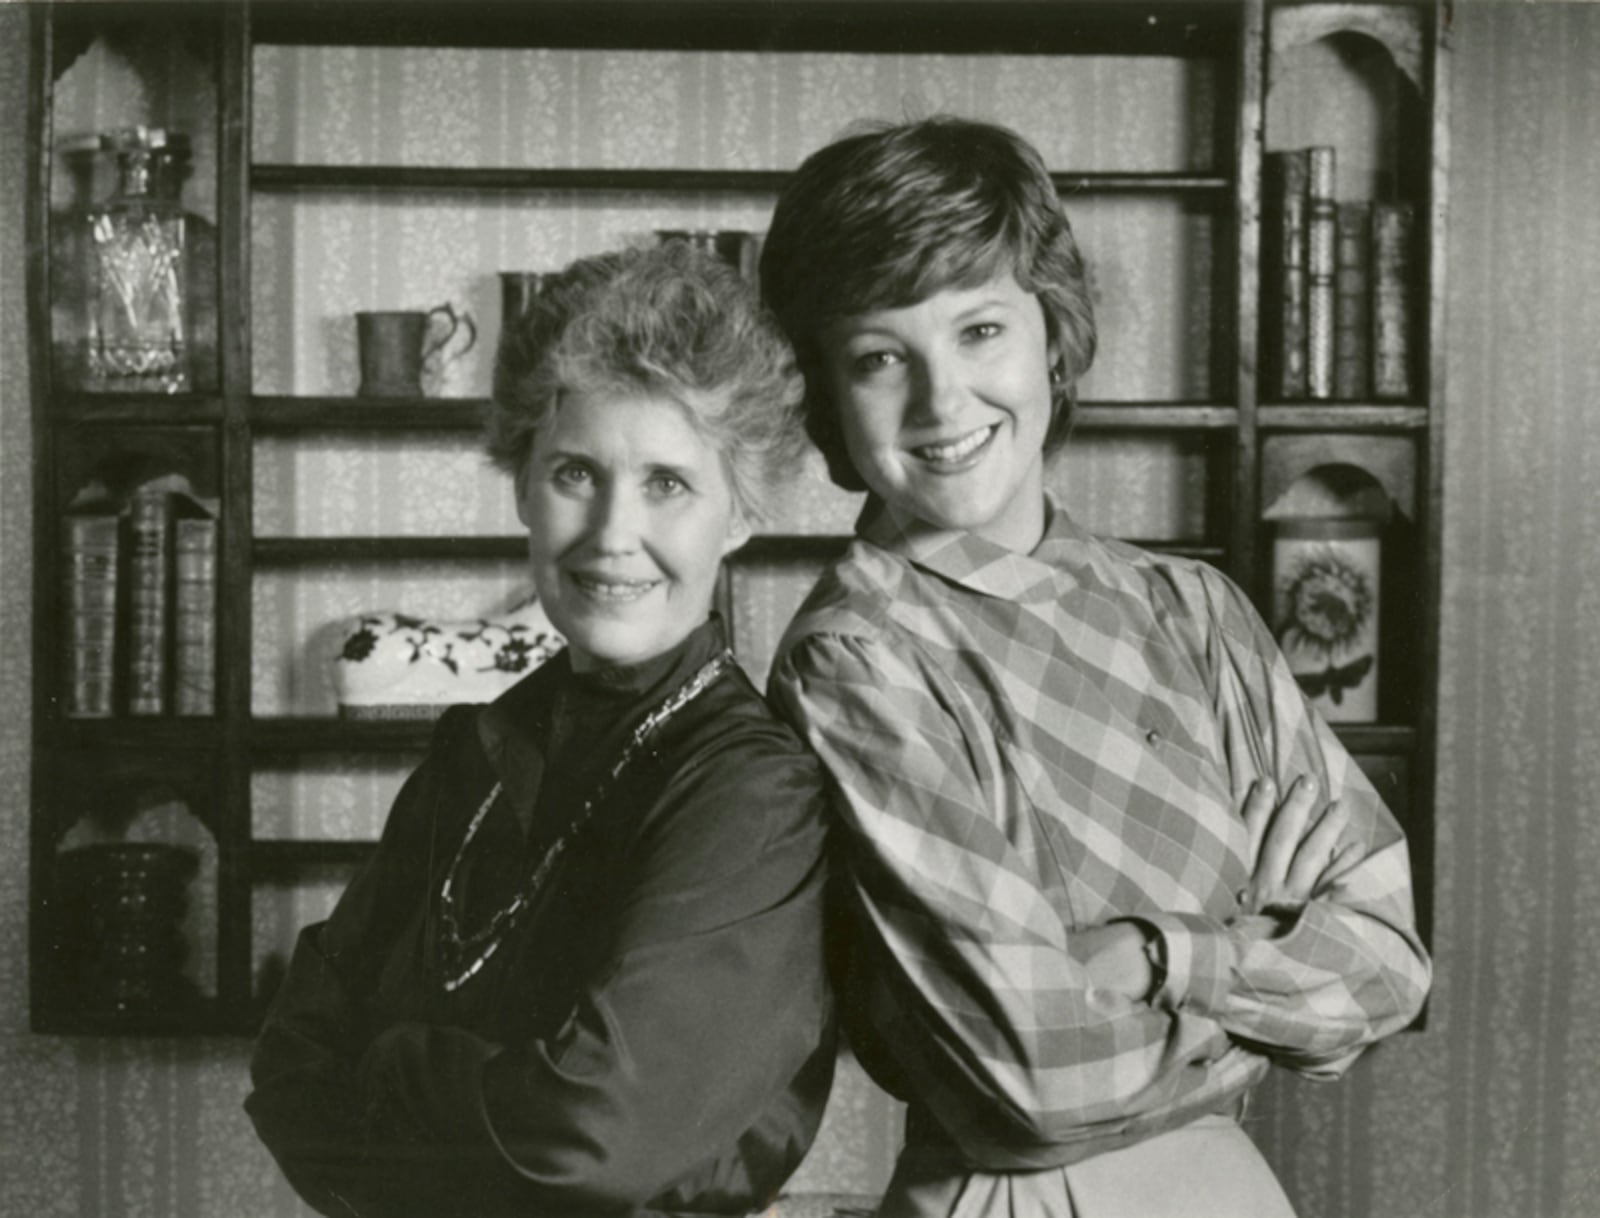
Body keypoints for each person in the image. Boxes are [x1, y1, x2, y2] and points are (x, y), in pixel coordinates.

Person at [758, 116, 1431, 1217]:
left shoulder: (1193, 611)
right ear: (827, 393)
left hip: (1230, 1191)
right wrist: (1259, 941)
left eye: (980, 330)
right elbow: (1039, 1082)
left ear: (1052, 337)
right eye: (881, 357)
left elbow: (1389, 967)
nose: (942, 403)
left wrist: (1154, 955)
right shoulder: (858, 662)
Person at [246, 241, 836, 1218]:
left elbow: (597, 1138)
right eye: (574, 473)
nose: (610, 534)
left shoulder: (753, 794)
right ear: (520, 484)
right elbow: (288, 1072)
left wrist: (393, 1064)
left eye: (667, 485)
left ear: (741, 513)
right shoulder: (472, 748)